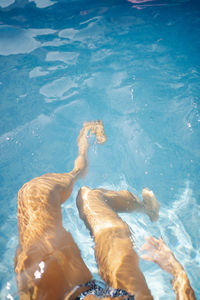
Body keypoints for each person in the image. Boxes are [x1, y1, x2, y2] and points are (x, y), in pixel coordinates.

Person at [14, 121, 196, 300]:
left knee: (32, 193)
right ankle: (143, 207)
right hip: (125, 295)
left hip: (74, 293)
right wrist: (174, 267)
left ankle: (79, 170)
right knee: (89, 198)